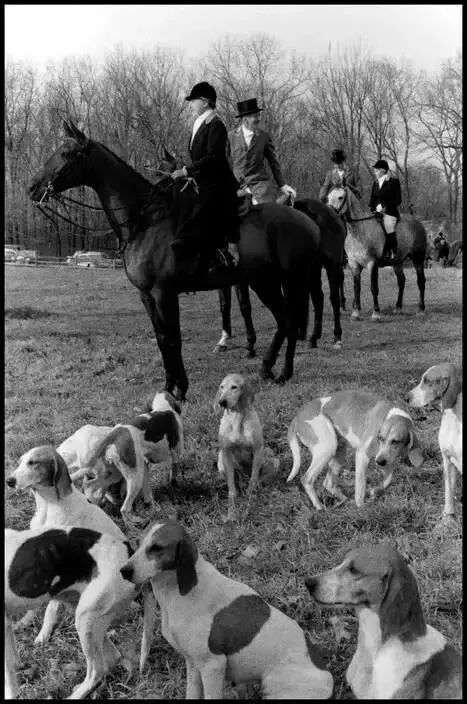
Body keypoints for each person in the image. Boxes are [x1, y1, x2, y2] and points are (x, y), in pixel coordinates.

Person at [170, 81, 240, 269]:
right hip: (202, 179)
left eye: (193, 101)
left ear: (205, 101)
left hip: (218, 183)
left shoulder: (216, 125)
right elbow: (197, 156)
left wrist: (187, 171)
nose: (191, 105)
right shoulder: (198, 123)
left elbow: (213, 158)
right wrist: (188, 173)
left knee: (201, 210)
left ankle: (222, 253)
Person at [226, 98, 296, 205]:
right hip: (237, 186)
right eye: (255, 116)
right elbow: (223, 162)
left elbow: (274, 163)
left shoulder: (264, 137)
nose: (258, 119)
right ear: (245, 118)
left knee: (264, 210)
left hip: (260, 185)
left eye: (258, 115)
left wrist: (282, 185)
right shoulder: (230, 137)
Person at [369, 159, 402, 259]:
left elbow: (398, 200)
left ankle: (392, 251)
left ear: (383, 171)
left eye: (376, 170)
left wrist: (384, 206)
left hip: (390, 213)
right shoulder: (375, 183)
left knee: (388, 226)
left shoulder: (393, 182)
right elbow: (372, 200)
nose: (375, 172)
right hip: (377, 213)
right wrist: (373, 209)